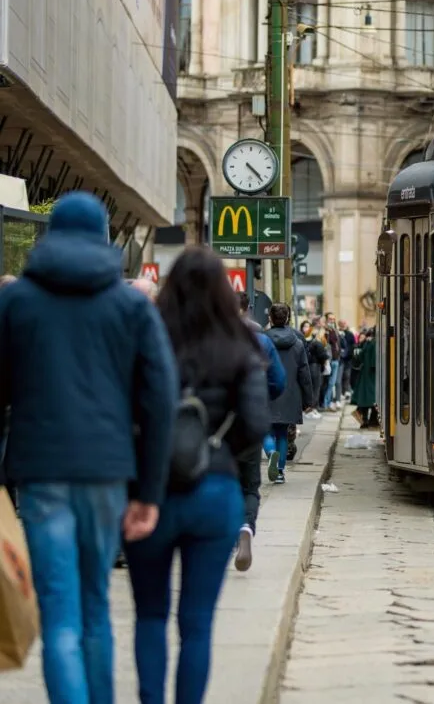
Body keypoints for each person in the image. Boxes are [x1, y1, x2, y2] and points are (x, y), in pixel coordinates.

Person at [0, 192, 178, 703]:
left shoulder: (16, 301)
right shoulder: (130, 304)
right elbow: (161, 397)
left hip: (40, 472)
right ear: (106, 237)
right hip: (107, 472)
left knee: (59, 612)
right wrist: (150, 490)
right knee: (96, 606)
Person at [125, 246, 271, 704]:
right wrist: (220, 449)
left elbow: (124, 409)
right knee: (197, 622)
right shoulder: (239, 345)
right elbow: (255, 424)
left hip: (150, 491)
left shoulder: (147, 337)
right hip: (216, 490)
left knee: (149, 615)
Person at [235, 292, 287, 571]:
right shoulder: (261, 341)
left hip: (215, 427)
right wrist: (260, 396)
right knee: (249, 486)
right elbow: (278, 382)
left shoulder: (205, 337)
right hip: (250, 421)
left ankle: (227, 530)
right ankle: (245, 527)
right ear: (247, 309)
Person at [265, 304, 314, 483]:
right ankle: (279, 472)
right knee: (282, 434)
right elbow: (304, 373)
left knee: (265, 430)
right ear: (287, 318)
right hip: (289, 394)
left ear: (270, 318)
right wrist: (309, 399)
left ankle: (270, 453)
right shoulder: (298, 343)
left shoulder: (262, 340)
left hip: (266, 393)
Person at [351, 326, 378, 430]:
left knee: (365, 399)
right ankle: (372, 421)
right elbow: (374, 363)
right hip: (373, 375)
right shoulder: (375, 343)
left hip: (365, 374)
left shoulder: (367, 343)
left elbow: (360, 357)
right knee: (374, 399)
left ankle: (365, 420)